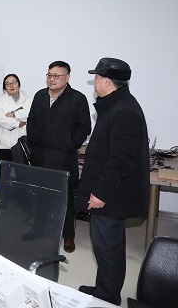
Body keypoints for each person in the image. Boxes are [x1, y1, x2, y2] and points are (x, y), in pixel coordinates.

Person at [76, 58, 149, 306]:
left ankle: (107, 296)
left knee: (108, 248)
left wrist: (100, 194)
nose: (94, 82)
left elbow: (120, 161)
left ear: (106, 81)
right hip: (109, 193)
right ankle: (104, 289)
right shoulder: (116, 105)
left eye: (96, 77)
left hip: (111, 196)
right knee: (106, 246)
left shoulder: (124, 110)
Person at [27, 61, 91, 253]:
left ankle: (68, 235)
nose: (51, 79)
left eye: (56, 76)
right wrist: (33, 138)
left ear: (67, 77)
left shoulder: (77, 99)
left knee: (66, 198)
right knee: (40, 196)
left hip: (63, 158)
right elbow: (31, 120)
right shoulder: (40, 95)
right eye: (49, 75)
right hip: (40, 156)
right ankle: (38, 228)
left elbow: (84, 127)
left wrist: (70, 145)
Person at [0, 74, 32, 167]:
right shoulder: (0, 101)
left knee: (22, 172)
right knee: (5, 172)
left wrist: (14, 114)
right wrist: (18, 123)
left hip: (22, 143)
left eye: (14, 82)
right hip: (3, 144)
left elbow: (30, 115)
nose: (11, 85)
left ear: (18, 84)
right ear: (4, 88)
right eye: (7, 84)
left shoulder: (28, 100)